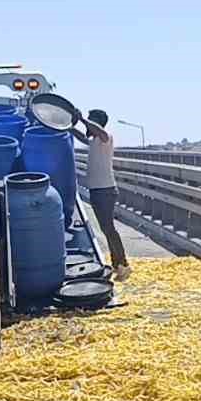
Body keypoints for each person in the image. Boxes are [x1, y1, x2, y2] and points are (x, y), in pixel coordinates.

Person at [72, 109, 130, 280]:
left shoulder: (106, 138)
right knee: (106, 228)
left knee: (108, 227)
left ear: (98, 122)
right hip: (97, 190)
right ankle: (117, 263)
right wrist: (68, 127)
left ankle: (122, 263)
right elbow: (81, 137)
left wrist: (82, 119)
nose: (88, 126)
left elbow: (100, 132)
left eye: (91, 121)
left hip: (105, 190)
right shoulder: (95, 142)